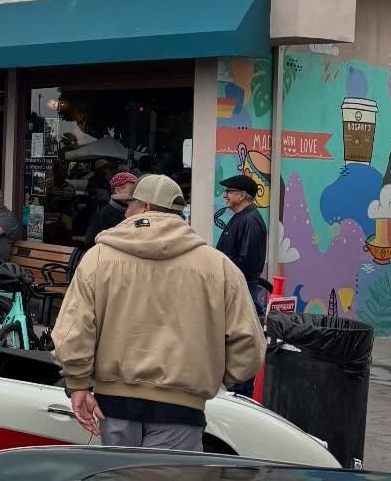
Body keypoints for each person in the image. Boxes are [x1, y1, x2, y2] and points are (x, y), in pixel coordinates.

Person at [52, 173, 267, 452]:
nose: (125, 211)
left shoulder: (100, 258)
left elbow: (73, 330)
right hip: (183, 409)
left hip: (114, 406)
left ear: (145, 208)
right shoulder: (219, 267)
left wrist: (78, 383)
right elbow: (249, 346)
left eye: (130, 204)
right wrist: (212, 375)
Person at [217, 172, 268, 300]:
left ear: (241, 195)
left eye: (228, 191)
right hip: (235, 287)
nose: (224, 195)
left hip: (239, 290)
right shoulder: (243, 217)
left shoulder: (250, 220)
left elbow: (247, 263)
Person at [77, 171, 137, 259]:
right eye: (132, 189)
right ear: (118, 190)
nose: (134, 194)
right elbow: (90, 243)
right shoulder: (105, 214)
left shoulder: (127, 211)